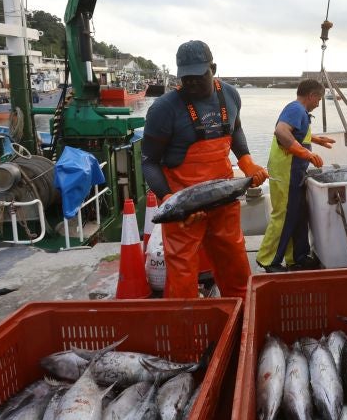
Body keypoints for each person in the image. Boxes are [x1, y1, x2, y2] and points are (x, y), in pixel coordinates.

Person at [141, 40, 268, 299]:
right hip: (185, 207)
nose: (192, 84)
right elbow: (149, 161)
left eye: (199, 76)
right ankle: (187, 328)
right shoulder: (164, 109)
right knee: (183, 272)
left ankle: (242, 314)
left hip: (224, 197)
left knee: (234, 261)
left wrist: (245, 161)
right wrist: (170, 201)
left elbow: (236, 129)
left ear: (213, 68)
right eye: (186, 79)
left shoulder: (231, 95)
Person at [256, 79, 335, 272]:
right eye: (319, 99)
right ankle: (268, 260)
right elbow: (281, 132)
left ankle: (297, 257)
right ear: (312, 96)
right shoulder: (296, 109)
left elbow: (297, 134)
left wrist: (317, 140)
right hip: (285, 172)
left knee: (299, 214)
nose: (318, 103)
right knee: (283, 215)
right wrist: (307, 153)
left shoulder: (300, 112)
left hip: (296, 172)